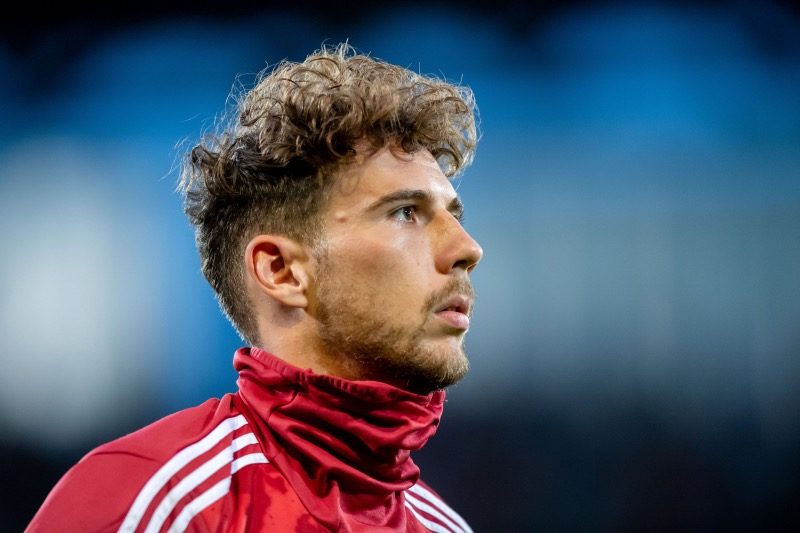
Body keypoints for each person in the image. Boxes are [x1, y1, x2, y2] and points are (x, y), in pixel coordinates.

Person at [28, 42, 482, 533]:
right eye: (405, 213)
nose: (468, 248)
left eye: (453, 216)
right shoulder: (153, 501)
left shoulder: (444, 526)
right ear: (281, 271)